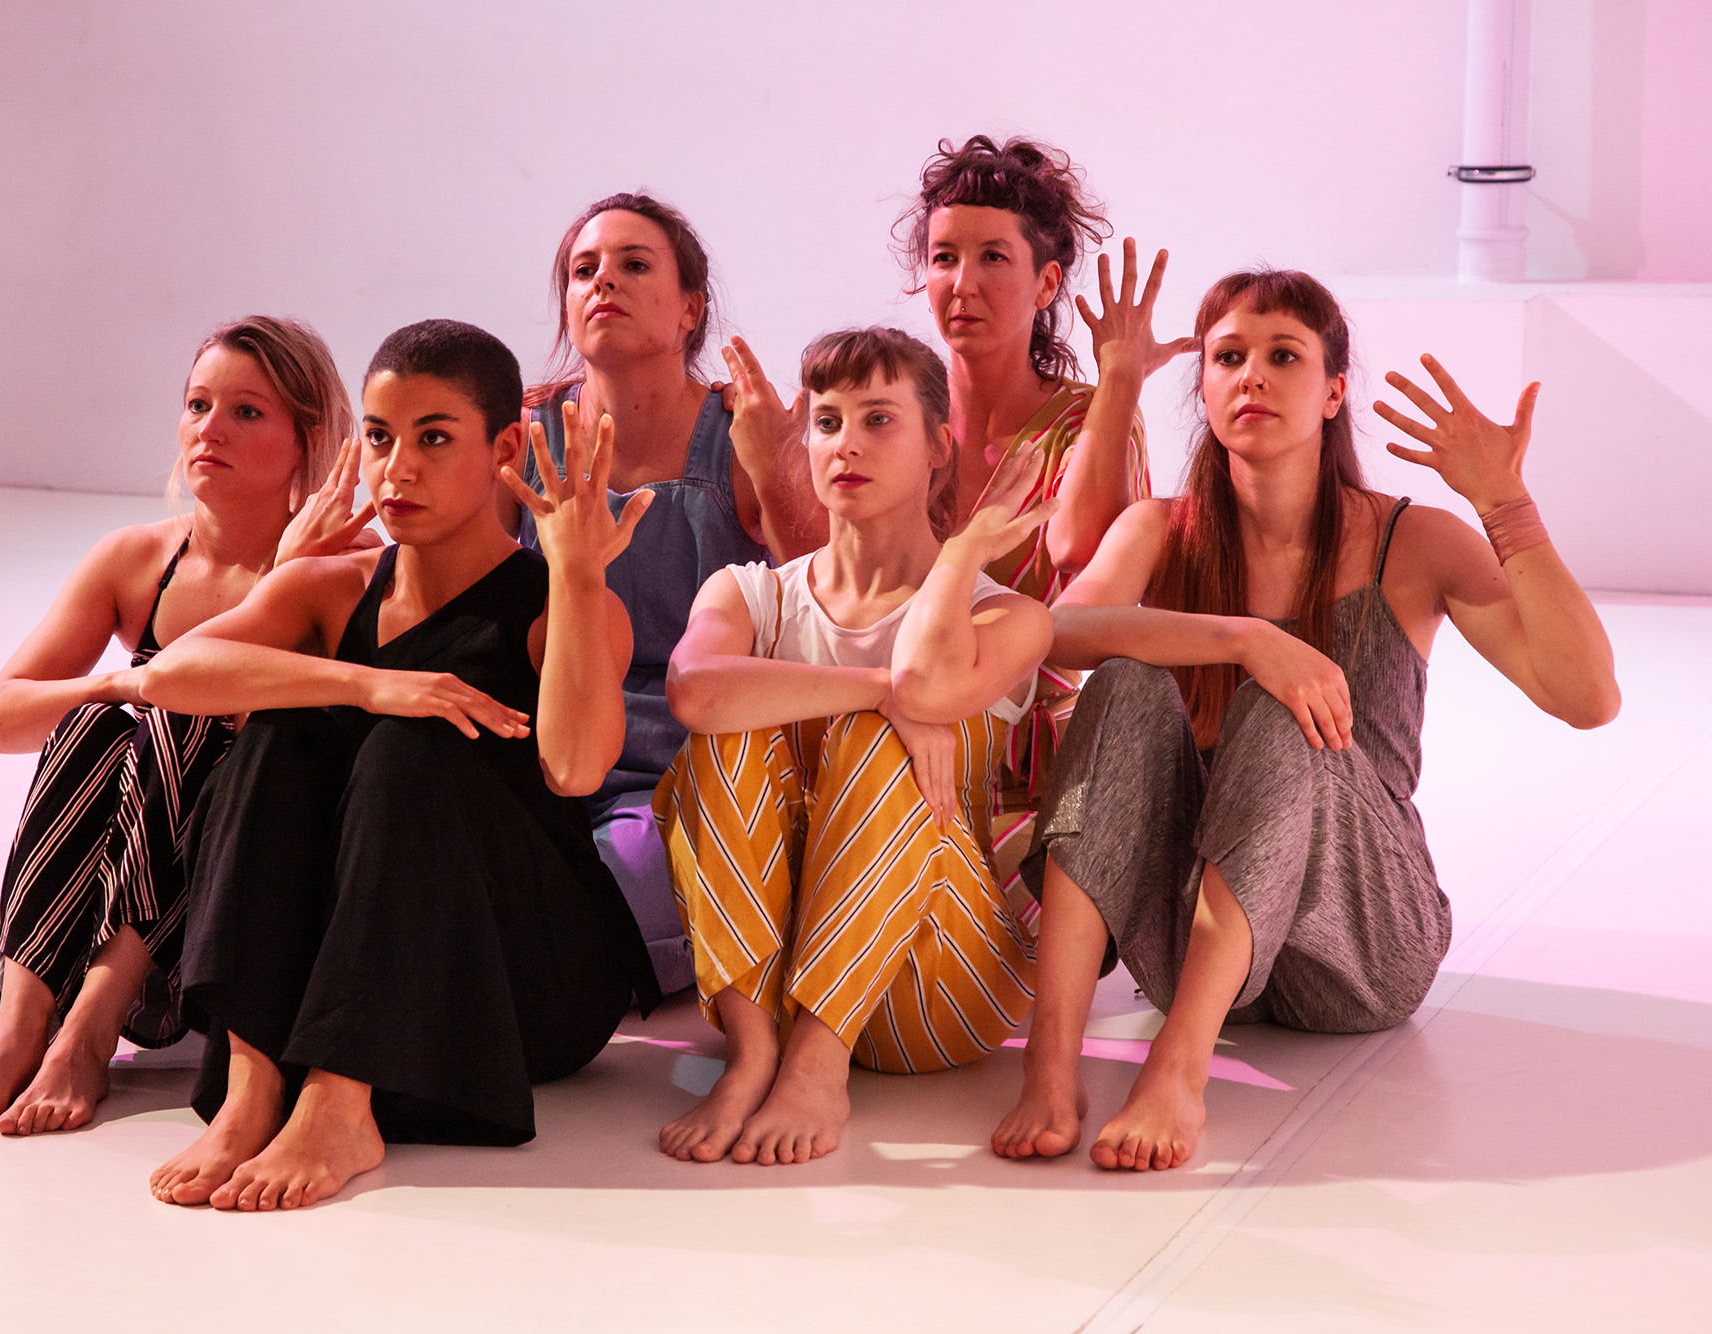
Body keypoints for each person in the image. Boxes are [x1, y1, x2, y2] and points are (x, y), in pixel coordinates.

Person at [992, 269, 1621, 1172]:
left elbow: (1588, 697)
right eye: (1228, 358)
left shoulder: (1411, 540)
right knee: (1122, 684)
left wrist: (1503, 504)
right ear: (1202, 388)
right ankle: (1051, 1067)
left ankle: (1178, 1071)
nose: (1252, 375)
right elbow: (1057, 632)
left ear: (1333, 392)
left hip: (1361, 945)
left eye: (1284, 356)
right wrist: (1246, 638)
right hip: (1197, 947)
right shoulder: (1159, 530)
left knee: (1288, 709)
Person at [140, 319, 657, 1211]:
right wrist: (372, 685)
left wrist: (578, 576)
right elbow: (170, 675)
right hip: (353, 975)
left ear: (504, 452)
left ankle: (340, 1103)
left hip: (527, 978)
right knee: (279, 733)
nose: (397, 469)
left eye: (434, 439)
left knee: (411, 748)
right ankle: (253, 1086)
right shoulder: (334, 586)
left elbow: (576, 770)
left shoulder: (560, 605)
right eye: (380, 438)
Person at [0, 316, 368, 1138]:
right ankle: (20, 1027)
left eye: (247, 412)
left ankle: (90, 1030)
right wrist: (118, 682)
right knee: (97, 720)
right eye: (198, 404)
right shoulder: (136, 558)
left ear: (307, 438)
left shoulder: (343, 564)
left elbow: (322, 754)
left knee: (181, 715)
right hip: (104, 909)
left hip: (236, 915)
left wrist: (279, 581)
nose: (210, 429)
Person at [654, 327, 1055, 1166]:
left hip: (935, 989)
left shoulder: (1003, 614)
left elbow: (927, 688)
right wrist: (877, 690)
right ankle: (754, 1055)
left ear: (939, 446)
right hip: (772, 986)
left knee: (882, 739)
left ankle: (817, 1065)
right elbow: (693, 691)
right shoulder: (750, 594)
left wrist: (962, 554)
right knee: (720, 743)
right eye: (827, 422)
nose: (846, 444)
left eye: (879, 419)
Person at [505, 192, 826, 997]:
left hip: (680, 775)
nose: (603, 281)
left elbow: (827, 599)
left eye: (634, 264)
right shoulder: (523, 437)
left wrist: (775, 467)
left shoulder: (739, 434)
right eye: (584, 270)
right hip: (542, 751)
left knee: (598, 912)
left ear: (691, 309)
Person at [893, 134, 1195, 895]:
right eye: (943, 257)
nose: (963, 282)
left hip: (1033, 773)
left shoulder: (1090, 420)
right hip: (903, 729)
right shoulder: (896, 419)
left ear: (1046, 282)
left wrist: (1119, 379)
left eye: (993, 257)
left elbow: (1080, 555)